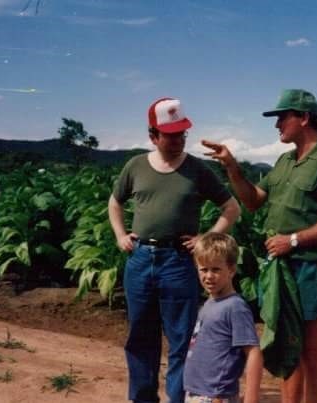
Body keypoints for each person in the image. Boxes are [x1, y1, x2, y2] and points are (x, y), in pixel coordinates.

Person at [202, 89, 317, 403]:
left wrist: (294, 240)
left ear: (304, 117)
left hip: (311, 266)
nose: (277, 125)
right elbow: (254, 201)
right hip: (280, 267)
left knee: (310, 350)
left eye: (282, 117)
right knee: (287, 347)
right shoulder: (285, 161)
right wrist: (232, 166)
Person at [108, 97, 241, 403]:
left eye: (182, 133)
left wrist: (206, 240)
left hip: (178, 261)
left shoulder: (198, 170)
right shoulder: (136, 166)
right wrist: (120, 236)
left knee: (182, 338)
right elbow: (115, 202)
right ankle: (143, 398)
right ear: (153, 136)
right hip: (140, 258)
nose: (179, 140)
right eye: (171, 134)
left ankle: (178, 399)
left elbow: (231, 208)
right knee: (140, 335)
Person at [183, 232, 263, 403]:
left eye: (216, 269)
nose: (209, 276)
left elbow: (253, 352)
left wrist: (251, 398)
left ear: (232, 270)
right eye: (204, 269)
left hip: (215, 395)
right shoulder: (209, 304)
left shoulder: (235, 307)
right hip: (196, 392)